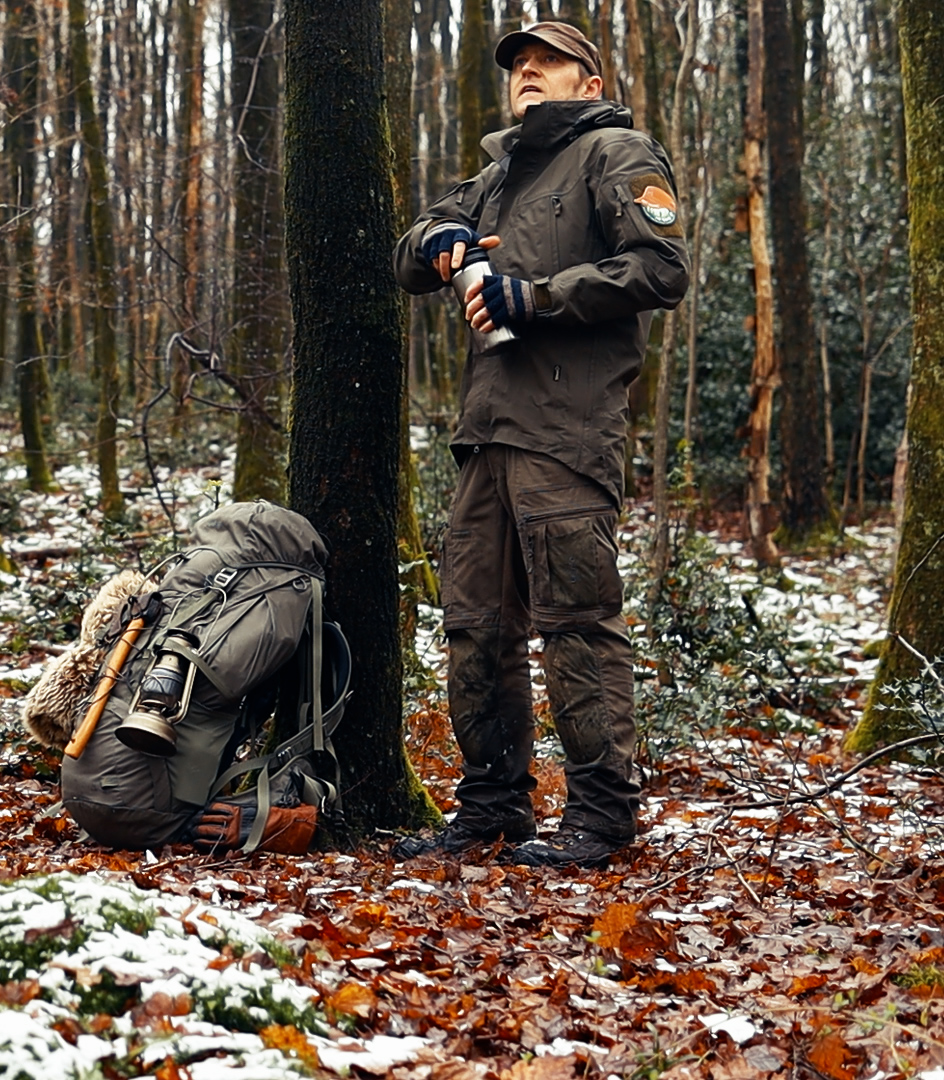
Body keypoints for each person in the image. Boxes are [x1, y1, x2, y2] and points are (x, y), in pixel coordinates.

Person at [389, 21, 688, 868]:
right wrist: (440, 243)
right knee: (475, 626)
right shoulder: (492, 177)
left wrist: (538, 297)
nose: (527, 73)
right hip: (484, 434)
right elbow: (412, 254)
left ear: (588, 82)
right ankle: (492, 809)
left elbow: (661, 267)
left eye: (547, 62)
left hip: (566, 431)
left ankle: (601, 817)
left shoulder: (616, 153)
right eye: (518, 65)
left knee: (577, 625)